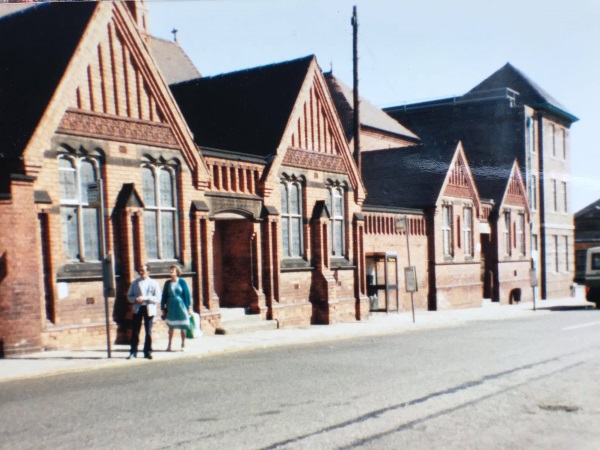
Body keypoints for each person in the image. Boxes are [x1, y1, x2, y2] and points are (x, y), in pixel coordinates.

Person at [127, 264, 161, 360]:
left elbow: (158, 298)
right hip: (138, 308)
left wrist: (146, 298)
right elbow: (129, 296)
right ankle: (133, 352)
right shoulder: (135, 283)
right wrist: (135, 299)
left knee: (148, 331)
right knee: (135, 331)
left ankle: (148, 352)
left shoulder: (153, 283)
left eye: (143, 270)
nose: (141, 272)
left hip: (149, 308)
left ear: (148, 271)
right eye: (140, 270)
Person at [161, 265, 192, 352]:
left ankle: (183, 344)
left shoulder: (182, 282)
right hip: (171, 306)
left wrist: (189, 307)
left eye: (173, 270)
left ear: (177, 271)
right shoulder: (167, 283)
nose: (171, 271)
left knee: (183, 325)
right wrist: (163, 308)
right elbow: (164, 296)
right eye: (170, 270)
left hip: (181, 305)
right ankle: (169, 345)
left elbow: (187, 295)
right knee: (171, 326)